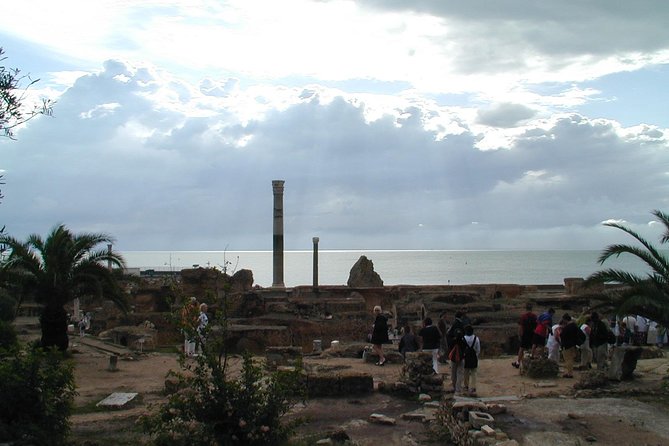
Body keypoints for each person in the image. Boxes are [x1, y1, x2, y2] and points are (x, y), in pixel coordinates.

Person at [446, 312, 466, 394]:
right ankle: (458, 388)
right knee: (460, 371)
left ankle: (454, 386)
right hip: (460, 354)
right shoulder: (461, 325)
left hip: (453, 353)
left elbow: (448, 338)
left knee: (453, 371)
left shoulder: (453, 326)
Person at [513, 303, 537, 368]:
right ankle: (533, 361)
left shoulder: (523, 316)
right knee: (533, 347)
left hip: (525, 333)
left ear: (526, 309)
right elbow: (536, 326)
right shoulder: (534, 316)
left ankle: (518, 362)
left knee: (521, 348)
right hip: (532, 333)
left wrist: (519, 334)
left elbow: (521, 326)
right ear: (532, 309)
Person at [559, 314, 581, 378]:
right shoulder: (574, 326)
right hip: (572, 344)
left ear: (565, 319)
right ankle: (569, 372)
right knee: (571, 358)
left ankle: (569, 373)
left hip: (567, 344)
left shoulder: (567, 327)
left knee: (568, 359)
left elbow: (562, 335)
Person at [463, 325, 480, 397]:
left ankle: (466, 385)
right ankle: (473, 387)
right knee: (474, 373)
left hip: (466, 357)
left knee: (465, 372)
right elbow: (478, 349)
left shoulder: (463, 338)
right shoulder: (476, 339)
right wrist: (476, 355)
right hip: (473, 357)